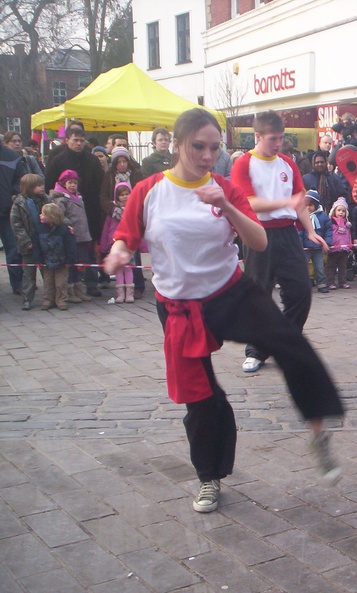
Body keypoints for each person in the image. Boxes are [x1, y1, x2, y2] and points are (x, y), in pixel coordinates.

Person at [104, 108, 344, 513]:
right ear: (177, 143)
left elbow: (258, 241)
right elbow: (126, 238)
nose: (206, 155)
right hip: (179, 306)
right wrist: (117, 255)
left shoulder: (224, 187)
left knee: (291, 344)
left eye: (214, 148)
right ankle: (208, 478)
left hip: (229, 293)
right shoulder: (148, 191)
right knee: (203, 400)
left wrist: (228, 206)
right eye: (198, 146)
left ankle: (319, 434)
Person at [230, 110, 328, 373]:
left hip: (287, 233)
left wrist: (309, 231)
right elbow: (248, 202)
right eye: (273, 138)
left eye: (281, 138)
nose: (278, 144)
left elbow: (300, 203)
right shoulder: (244, 164)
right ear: (257, 136)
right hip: (257, 231)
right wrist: (286, 202)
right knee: (258, 294)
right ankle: (256, 350)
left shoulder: (288, 163)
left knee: (300, 293)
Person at [44, 126, 105, 296]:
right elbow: (49, 185)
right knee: (69, 248)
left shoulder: (92, 160)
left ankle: (92, 283)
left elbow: (101, 184)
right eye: (75, 140)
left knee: (90, 246)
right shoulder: (57, 160)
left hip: (90, 209)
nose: (79, 144)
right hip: (66, 211)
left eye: (81, 140)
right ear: (67, 140)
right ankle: (69, 287)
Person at [50, 169, 95, 303]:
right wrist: (68, 225)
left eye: (75, 183)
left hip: (81, 236)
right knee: (71, 265)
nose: (73, 185)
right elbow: (60, 216)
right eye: (70, 182)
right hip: (71, 237)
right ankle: (69, 291)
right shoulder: (61, 199)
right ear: (64, 183)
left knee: (80, 265)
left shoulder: (78, 196)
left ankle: (79, 290)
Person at [10, 173, 51, 310]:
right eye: (38, 185)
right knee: (28, 273)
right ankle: (27, 298)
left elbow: (58, 214)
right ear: (29, 187)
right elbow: (16, 224)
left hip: (45, 240)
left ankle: (50, 296)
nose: (41, 187)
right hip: (29, 242)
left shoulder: (46, 199)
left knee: (48, 271)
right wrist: (25, 240)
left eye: (41, 184)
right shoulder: (19, 202)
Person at [36, 202, 76, 311]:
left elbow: (70, 246)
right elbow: (37, 245)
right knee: (48, 282)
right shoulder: (39, 229)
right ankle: (48, 300)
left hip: (62, 261)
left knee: (60, 282)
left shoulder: (64, 230)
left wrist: (69, 260)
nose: (40, 216)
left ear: (51, 217)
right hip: (46, 261)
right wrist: (38, 259)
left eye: (43, 214)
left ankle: (61, 300)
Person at [100, 181, 135, 303]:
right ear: (116, 196)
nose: (125, 196)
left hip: (129, 244)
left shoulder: (134, 210)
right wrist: (104, 245)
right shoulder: (112, 212)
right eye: (122, 194)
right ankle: (120, 294)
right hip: (114, 244)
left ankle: (129, 293)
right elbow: (106, 230)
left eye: (127, 193)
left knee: (128, 267)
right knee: (119, 269)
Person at [0, 133, 26, 295]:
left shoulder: (11, 156)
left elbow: (20, 179)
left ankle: (18, 284)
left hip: (8, 210)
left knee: (14, 249)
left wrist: (16, 192)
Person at [299, 190, 332, 293]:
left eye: (311, 205)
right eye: (306, 205)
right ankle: (301, 285)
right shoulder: (302, 217)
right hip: (306, 248)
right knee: (302, 266)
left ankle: (321, 284)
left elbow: (328, 230)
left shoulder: (323, 216)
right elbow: (299, 232)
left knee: (320, 267)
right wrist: (300, 245)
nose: (308, 208)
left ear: (316, 205)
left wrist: (327, 242)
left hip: (318, 248)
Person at [326, 198, 352, 289]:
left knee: (343, 267)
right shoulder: (331, 222)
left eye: (343, 211)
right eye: (339, 210)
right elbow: (328, 233)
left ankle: (342, 282)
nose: (341, 212)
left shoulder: (347, 224)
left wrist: (349, 245)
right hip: (333, 248)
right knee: (331, 266)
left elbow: (348, 235)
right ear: (334, 211)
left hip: (344, 248)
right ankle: (330, 282)